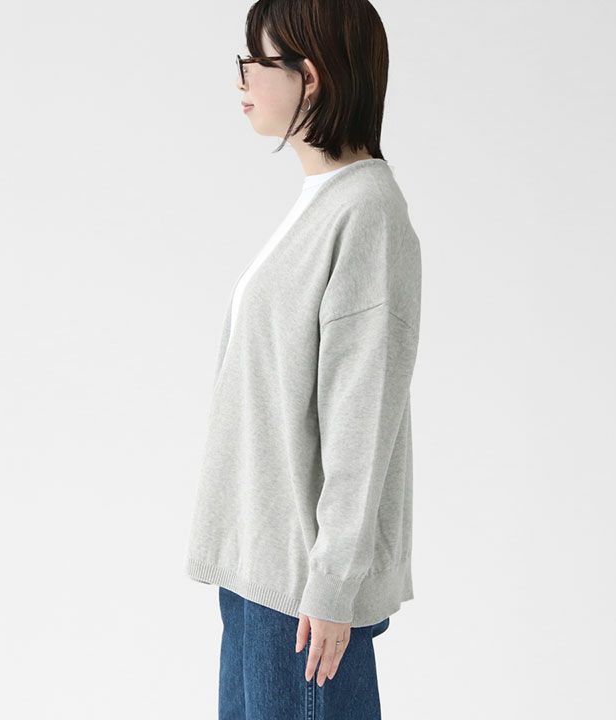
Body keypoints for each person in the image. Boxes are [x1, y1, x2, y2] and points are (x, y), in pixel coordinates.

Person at [185, 1, 422, 717]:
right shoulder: (320, 203)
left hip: (301, 593)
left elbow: (361, 417)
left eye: (254, 62)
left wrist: (333, 583)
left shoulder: (366, 213)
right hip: (260, 572)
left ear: (310, 77)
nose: (241, 80)